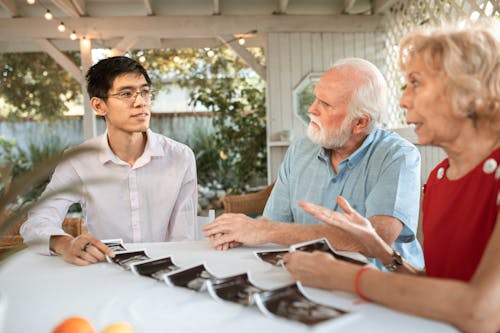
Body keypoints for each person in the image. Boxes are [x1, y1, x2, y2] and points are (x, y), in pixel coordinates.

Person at [283, 19, 500, 332]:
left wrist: (343, 277)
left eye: (416, 83)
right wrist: (380, 251)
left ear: (469, 93)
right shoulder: (441, 177)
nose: (403, 100)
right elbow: (438, 289)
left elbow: (481, 312)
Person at [204, 58, 424, 269]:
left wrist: (264, 230)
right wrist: (242, 233)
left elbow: (377, 240)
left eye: (326, 104)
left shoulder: (398, 157)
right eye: (315, 98)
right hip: (311, 277)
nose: (311, 109)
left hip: (382, 287)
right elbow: (273, 222)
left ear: (360, 122)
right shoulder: (300, 150)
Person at [21, 56, 197, 266]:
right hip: (104, 270)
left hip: (164, 269)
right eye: (126, 93)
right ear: (98, 105)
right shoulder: (78, 160)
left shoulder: (180, 157)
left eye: (145, 92)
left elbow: (183, 237)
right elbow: (37, 222)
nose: (140, 102)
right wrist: (65, 244)